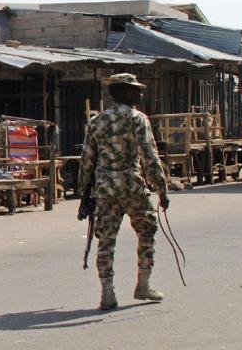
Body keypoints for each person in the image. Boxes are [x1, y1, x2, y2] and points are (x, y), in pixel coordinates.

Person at [78, 72, 169, 310]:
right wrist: (162, 189)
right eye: (135, 89)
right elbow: (149, 156)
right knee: (147, 230)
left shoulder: (96, 121)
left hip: (105, 189)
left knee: (105, 239)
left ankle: (107, 292)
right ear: (122, 92)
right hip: (132, 187)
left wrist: (84, 194)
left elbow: (87, 160)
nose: (140, 93)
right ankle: (143, 285)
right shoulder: (138, 119)